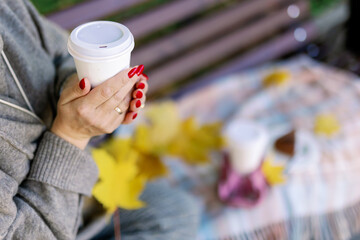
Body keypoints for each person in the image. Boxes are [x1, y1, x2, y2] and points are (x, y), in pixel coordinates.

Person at [0, 0, 199, 239]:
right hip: (48, 219)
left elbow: (61, 51)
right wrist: (72, 135)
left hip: (84, 192)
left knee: (179, 211)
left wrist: (81, 87)